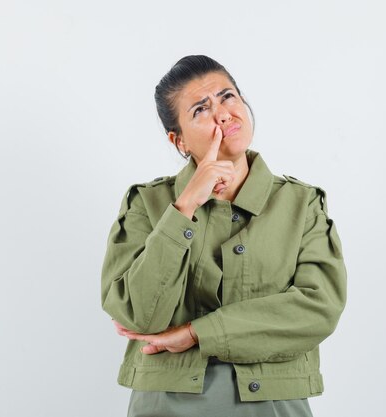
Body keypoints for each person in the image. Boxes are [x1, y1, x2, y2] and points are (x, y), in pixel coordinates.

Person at [100, 55, 347, 417]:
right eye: (201, 109)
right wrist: (184, 207)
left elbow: (318, 309)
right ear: (178, 139)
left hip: (272, 405)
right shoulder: (147, 204)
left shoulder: (302, 204)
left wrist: (197, 333)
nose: (222, 114)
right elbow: (139, 314)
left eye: (228, 96)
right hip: (166, 406)